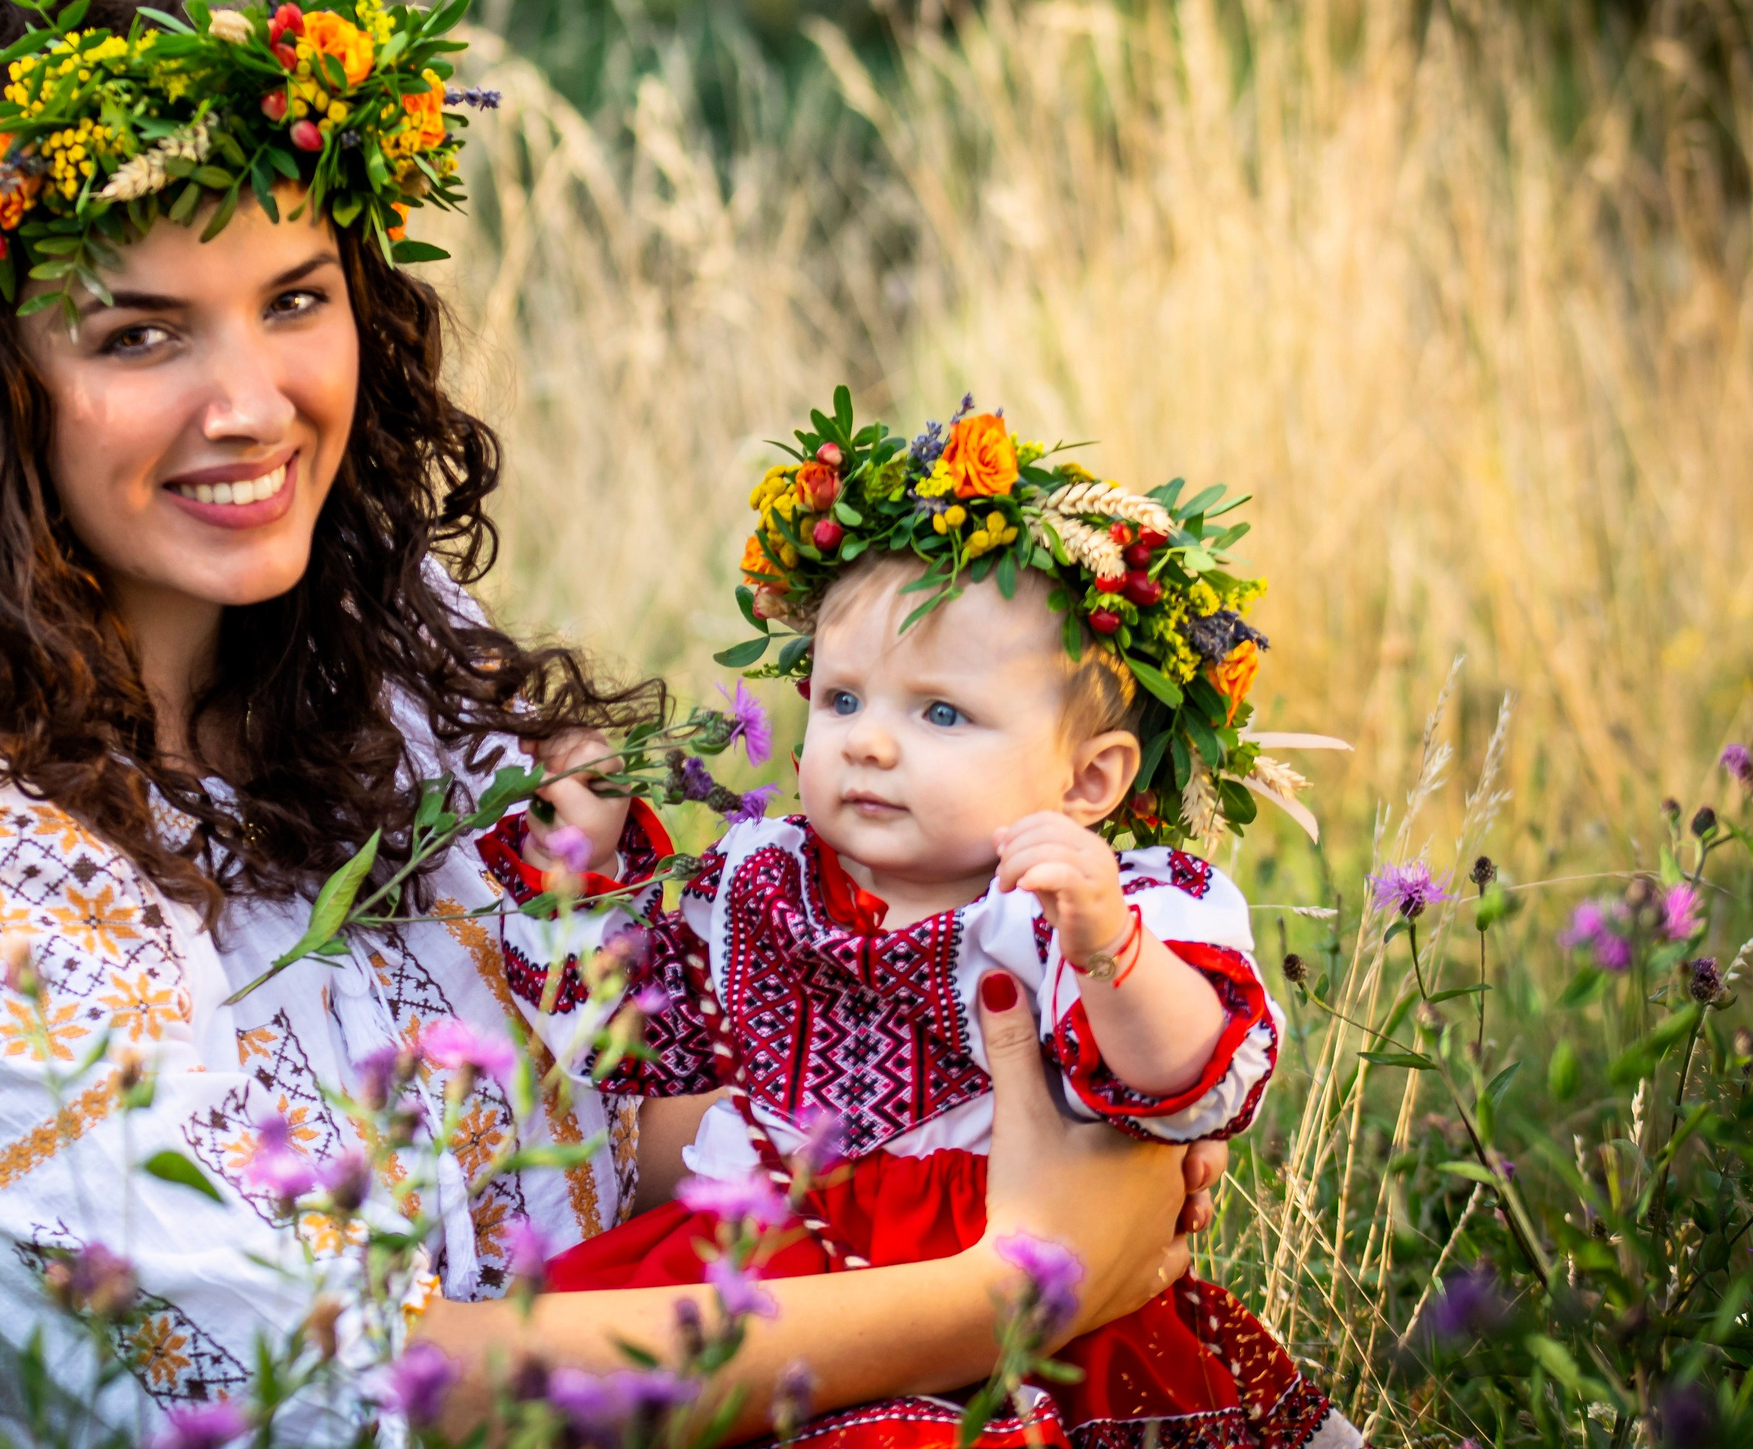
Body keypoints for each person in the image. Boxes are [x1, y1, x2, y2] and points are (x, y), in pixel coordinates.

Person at [0, 0, 1218, 1446]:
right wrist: (1016, 1280)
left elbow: (641, 1107)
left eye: (293, 296)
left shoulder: (376, 644)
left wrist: (1043, 1088)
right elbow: (367, 1394)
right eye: (142, 334)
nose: (256, 405)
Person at [490, 399, 1358, 1447]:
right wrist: (572, 847)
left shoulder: (1078, 903)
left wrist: (1110, 947)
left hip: (994, 1273)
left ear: (1088, 778)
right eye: (844, 700)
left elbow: (1191, 1076)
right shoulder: (756, 878)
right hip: (755, 1268)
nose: (869, 744)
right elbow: (621, 1016)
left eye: (939, 713)